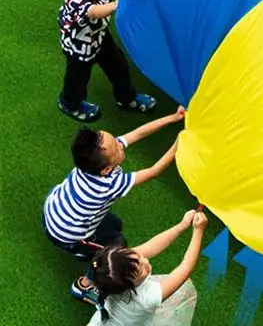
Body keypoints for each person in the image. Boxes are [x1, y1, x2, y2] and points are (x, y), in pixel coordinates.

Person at [42, 108, 185, 304]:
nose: (120, 145)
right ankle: (83, 286)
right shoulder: (108, 184)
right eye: (117, 148)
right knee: (116, 249)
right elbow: (154, 171)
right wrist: (179, 142)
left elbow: (137, 133)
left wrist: (173, 117)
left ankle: (82, 250)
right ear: (107, 169)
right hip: (66, 233)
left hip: (55, 208)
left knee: (114, 223)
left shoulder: (92, 161)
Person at [47, 0, 156, 122]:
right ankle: (69, 102)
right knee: (77, 80)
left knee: (119, 66)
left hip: (99, 37)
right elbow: (96, 11)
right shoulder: (76, 3)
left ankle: (126, 98)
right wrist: (119, 4)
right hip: (79, 50)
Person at [88, 208, 207, 324]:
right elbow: (185, 267)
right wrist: (198, 231)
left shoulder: (113, 272)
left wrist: (182, 225)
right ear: (130, 285)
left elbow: (152, 246)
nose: (145, 261)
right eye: (141, 271)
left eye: (139, 256)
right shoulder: (147, 298)